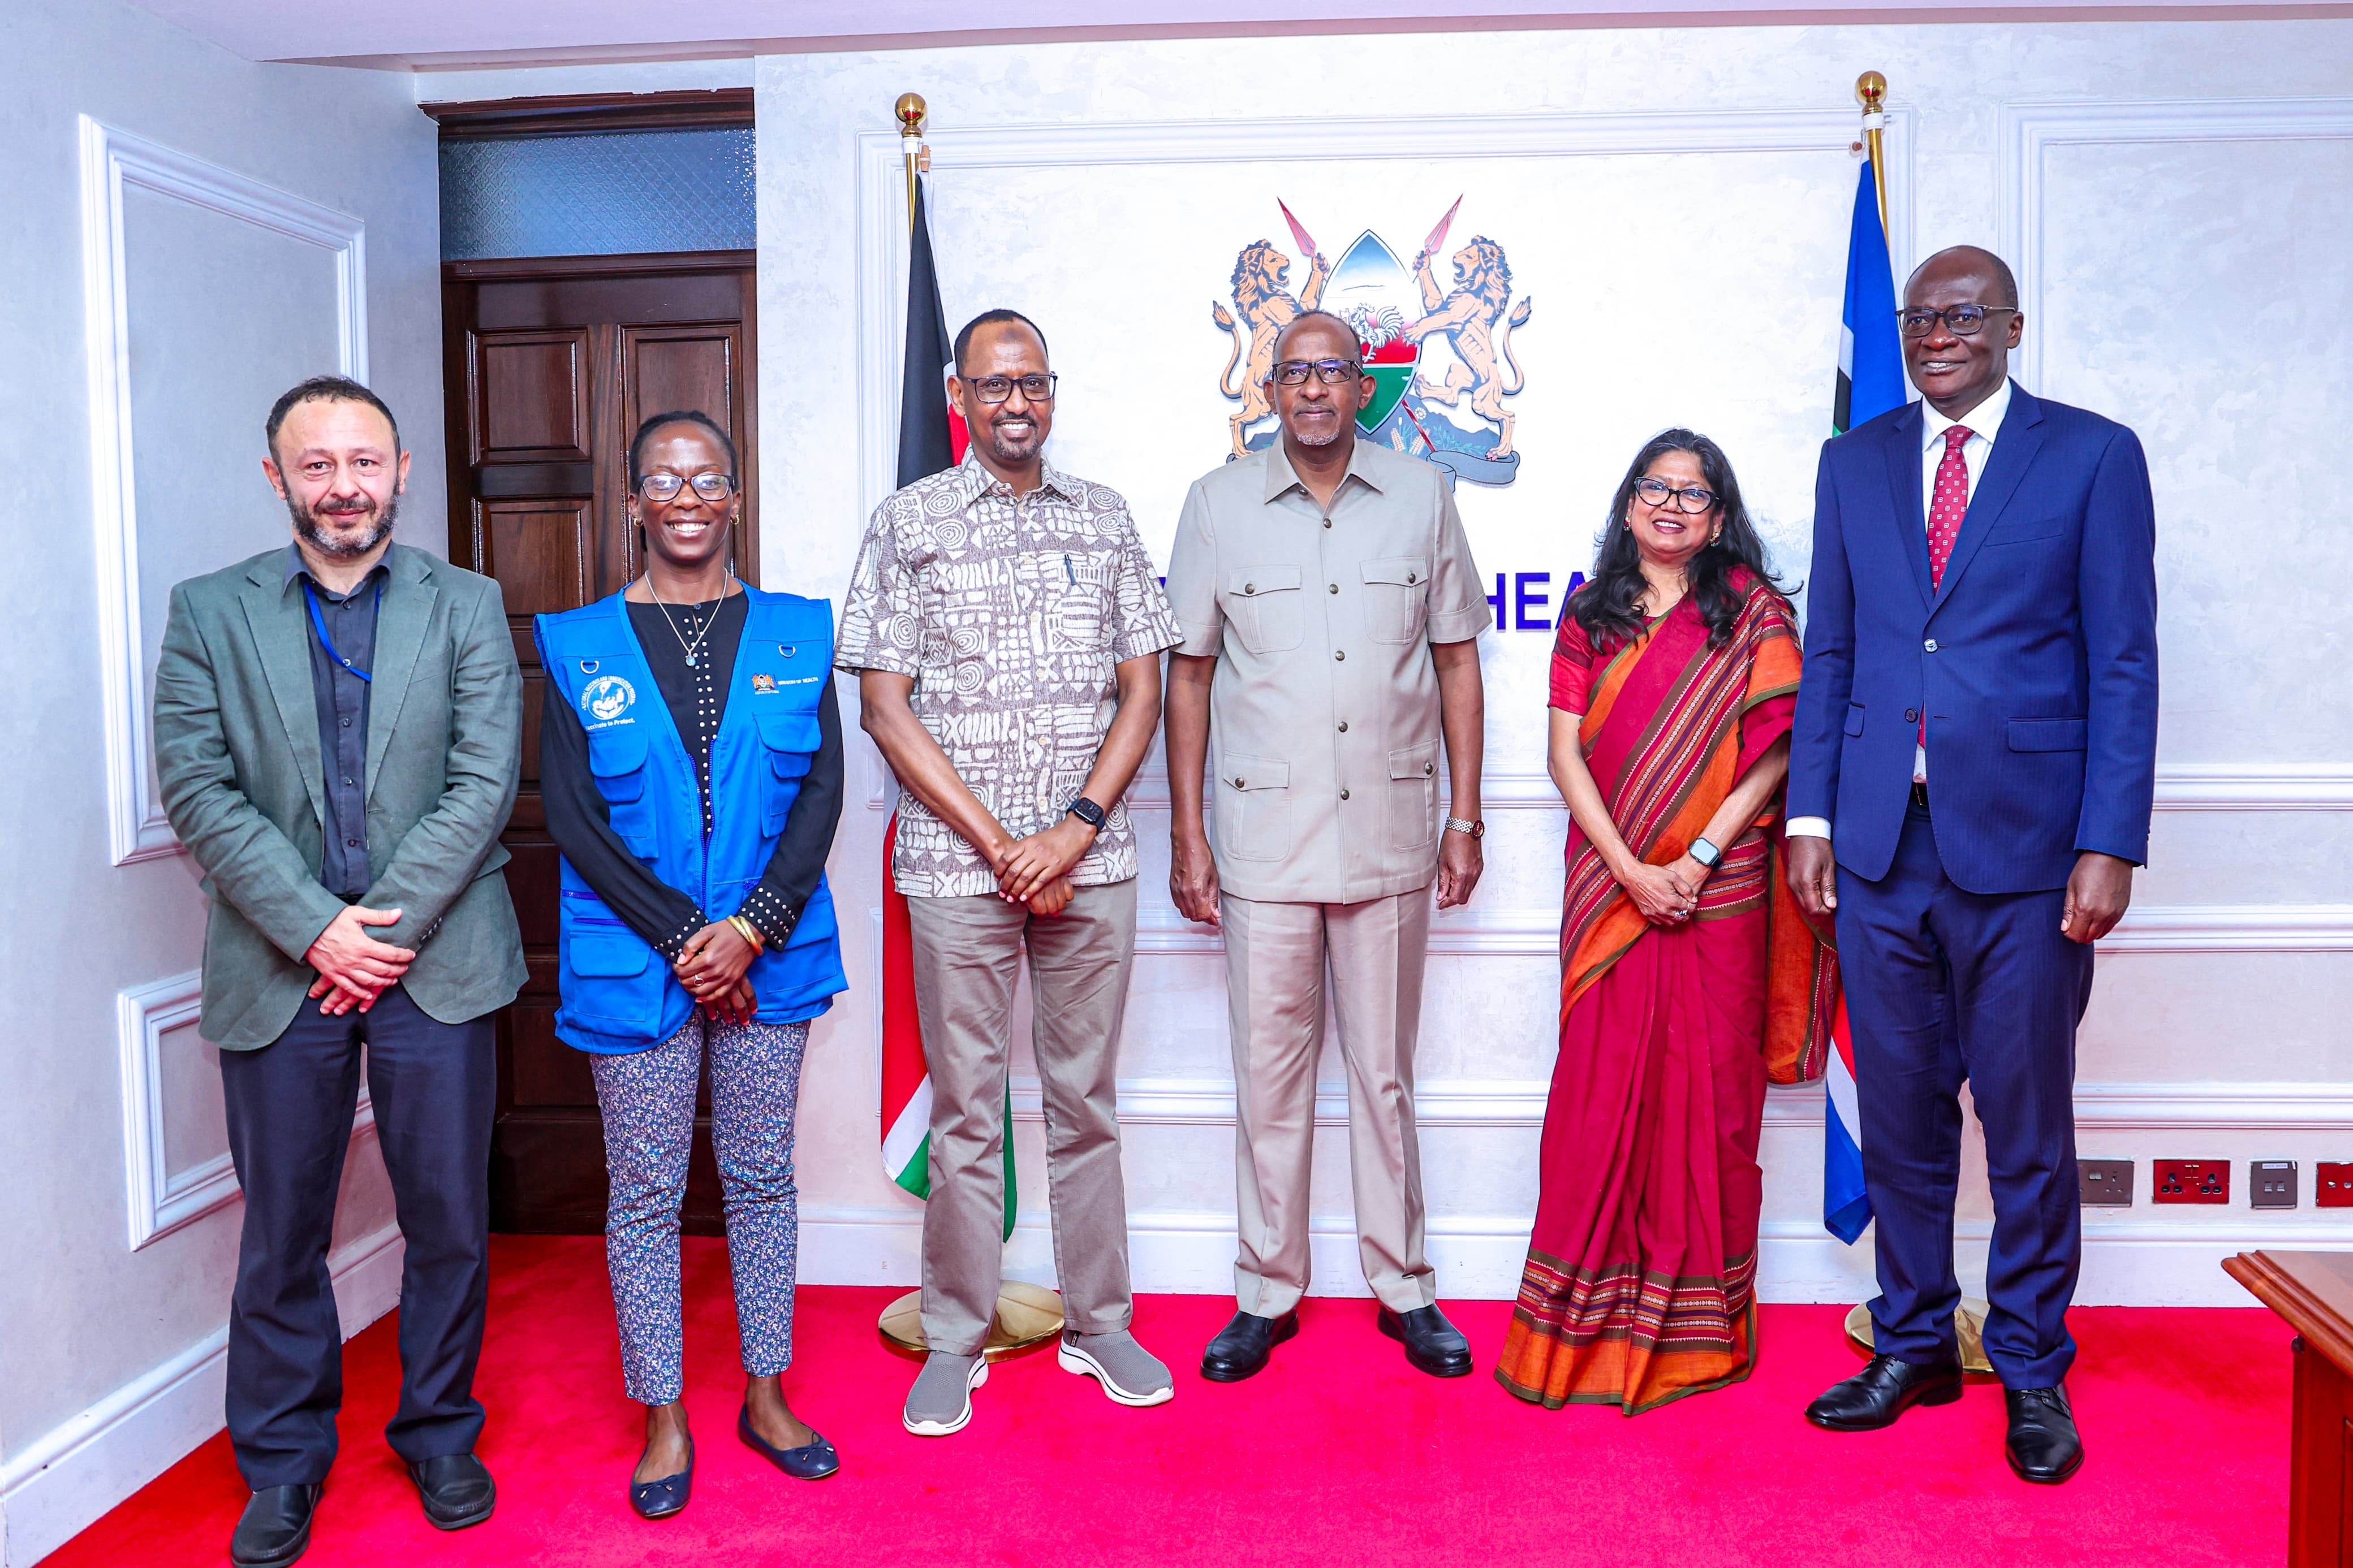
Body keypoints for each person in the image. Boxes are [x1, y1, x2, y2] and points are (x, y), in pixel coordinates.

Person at [1787, 246, 2158, 1484]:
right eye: (1919, 318)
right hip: (1882, 850)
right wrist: (1811, 821)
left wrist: (2107, 842)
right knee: (1897, 1119)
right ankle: (1911, 1341)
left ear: (2007, 324)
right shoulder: (1856, 460)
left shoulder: (2092, 456)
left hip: (2030, 854)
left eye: (1961, 316)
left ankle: (2033, 1366)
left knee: (2026, 1125)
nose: (1937, 333)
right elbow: (1831, 653)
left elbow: (2121, 660)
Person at [152, 376, 525, 1567]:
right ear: (277, 479)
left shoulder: (467, 604)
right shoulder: (207, 611)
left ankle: (438, 1430)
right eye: (317, 465)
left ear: (402, 470)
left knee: (450, 1221)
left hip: (439, 964)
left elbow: (483, 783)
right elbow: (199, 791)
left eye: (364, 461)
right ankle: (282, 1459)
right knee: (282, 1233)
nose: (344, 485)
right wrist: (320, 930)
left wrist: (379, 933)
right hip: (281, 967)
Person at [839, 308, 1183, 1437]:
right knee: (967, 1110)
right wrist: (1002, 844)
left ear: (1053, 389)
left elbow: (1145, 687)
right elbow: (883, 705)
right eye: (993, 386)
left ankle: (1102, 1323)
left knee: (1085, 1100)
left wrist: (1074, 827)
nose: (1015, 402)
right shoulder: (909, 521)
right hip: (955, 870)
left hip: (1095, 863)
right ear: (959, 396)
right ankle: (955, 1335)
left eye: (1031, 381)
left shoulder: (1107, 516)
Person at [1165, 309, 1490, 1384]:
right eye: (1293, 371)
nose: (1312, 389)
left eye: (1333, 372)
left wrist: (1466, 815)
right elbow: (1193, 678)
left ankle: (1405, 1286)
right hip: (1262, 843)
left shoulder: (1424, 497)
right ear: (1270, 390)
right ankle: (1267, 1288)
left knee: (1384, 1075)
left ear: (1366, 389)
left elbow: (1455, 664)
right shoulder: (1216, 505)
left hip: (1395, 834)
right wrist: (1188, 831)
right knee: (1270, 1076)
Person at [536, 410, 849, 1515]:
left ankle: (766, 1393)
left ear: (732, 497)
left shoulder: (797, 632)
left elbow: (821, 795)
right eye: (662, 479)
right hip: (638, 964)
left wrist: (752, 926)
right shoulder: (577, 643)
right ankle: (664, 1413)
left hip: (771, 958)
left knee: (761, 1176)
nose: (684, 496)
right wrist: (684, 937)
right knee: (647, 1193)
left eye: (704, 477)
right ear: (633, 502)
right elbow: (572, 816)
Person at [1492, 431, 1835, 1415]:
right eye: (1657, 488)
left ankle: (1700, 1326)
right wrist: (1633, 869)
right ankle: (1581, 1323)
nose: (1674, 506)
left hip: (1717, 892)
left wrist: (1693, 859)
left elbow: (1777, 754)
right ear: (1629, 503)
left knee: (1713, 1105)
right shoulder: (1591, 612)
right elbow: (1567, 760)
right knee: (1599, 1099)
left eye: (1695, 493)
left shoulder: (1757, 616)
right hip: (1609, 891)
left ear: (1720, 515)